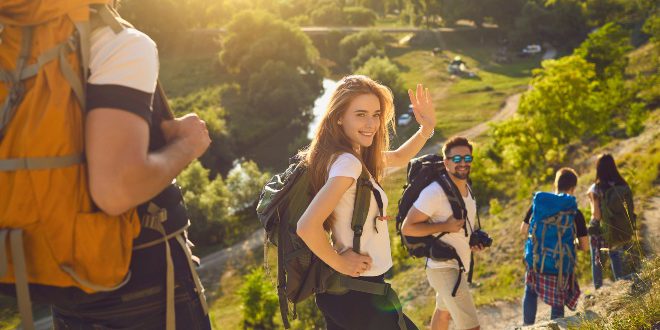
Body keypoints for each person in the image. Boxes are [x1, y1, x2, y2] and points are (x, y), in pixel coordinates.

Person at [48, 3, 212, 329]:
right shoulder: (116, 43)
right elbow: (115, 189)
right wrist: (186, 145)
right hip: (144, 288)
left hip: (62, 285)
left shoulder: (18, 47)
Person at [296, 75, 437, 329]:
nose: (371, 123)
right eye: (360, 114)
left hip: (350, 291)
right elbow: (306, 226)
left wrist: (426, 129)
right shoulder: (347, 164)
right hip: (358, 293)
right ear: (339, 117)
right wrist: (340, 261)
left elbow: (398, 156)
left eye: (376, 114)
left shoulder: (346, 157)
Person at [401, 136, 485, 330]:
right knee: (472, 326)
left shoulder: (466, 188)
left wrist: (474, 240)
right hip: (444, 268)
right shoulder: (434, 192)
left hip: (457, 265)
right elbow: (408, 227)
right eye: (456, 159)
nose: (462, 163)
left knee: (443, 313)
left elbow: (462, 226)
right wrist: (444, 227)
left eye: (467, 158)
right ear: (446, 162)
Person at [520, 168, 589, 325]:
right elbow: (585, 246)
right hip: (560, 265)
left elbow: (523, 230)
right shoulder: (575, 212)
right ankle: (555, 326)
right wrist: (569, 244)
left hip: (536, 261)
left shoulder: (538, 205)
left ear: (555, 184)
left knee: (530, 291)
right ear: (573, 188)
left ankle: (527, 326)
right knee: (558, 299)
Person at [587, 153, 636, 289]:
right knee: (615, 255)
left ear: (598, 169)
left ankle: (598, 288)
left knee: (596, 259)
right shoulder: (622, 184)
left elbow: (596, 215)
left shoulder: (596, 188)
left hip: (601, 228)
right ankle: (620, 282)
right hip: (619, 226)